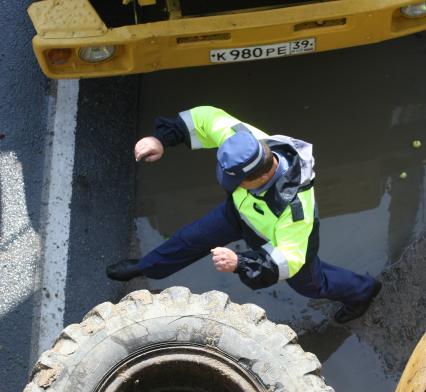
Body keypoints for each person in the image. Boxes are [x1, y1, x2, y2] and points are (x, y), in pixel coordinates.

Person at [107, 106, 381, 323]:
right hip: (239, 214)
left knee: (312, 285)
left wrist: (240, 262)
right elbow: (205, 118)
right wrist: (160, 139)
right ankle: (145, 267)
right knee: (192, 238)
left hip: (281, 244)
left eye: (235, 182)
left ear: (259, 177)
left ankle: (363, 291)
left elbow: (290, 260)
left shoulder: (294, 208)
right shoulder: (244, 140)